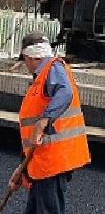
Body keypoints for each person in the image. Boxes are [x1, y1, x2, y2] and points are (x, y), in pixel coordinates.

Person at [7, 31, 91, 214]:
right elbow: (32, 133)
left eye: (25, 60)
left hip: (52, 162)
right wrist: (21, 170)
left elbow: (65, 92)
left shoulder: (53, 69)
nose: (26, 65)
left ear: (30, 57)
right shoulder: (42, 77)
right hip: (42, 162)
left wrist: (44, 121)